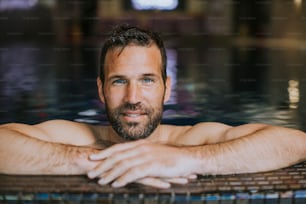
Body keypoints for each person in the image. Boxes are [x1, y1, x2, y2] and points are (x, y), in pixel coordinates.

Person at [1, 24, 306, 189]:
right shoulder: (78, 137)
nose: (133, 97)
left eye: (147, 80)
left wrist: (190, 161)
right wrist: (99, 161)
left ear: (166, 89)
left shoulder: (191, 140)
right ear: (101, 90)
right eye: (119, 81)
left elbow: (297, 143)